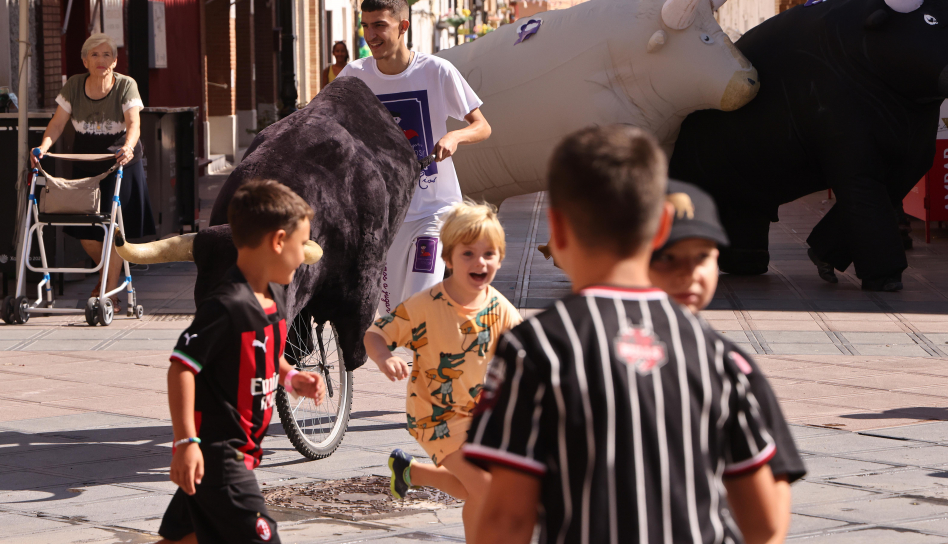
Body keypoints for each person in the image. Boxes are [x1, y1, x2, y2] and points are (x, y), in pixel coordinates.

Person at [463, 125, 786, 544]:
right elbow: (765, 523)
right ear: (664, 222)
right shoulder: (721, 356)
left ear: (556, 231)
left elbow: (507, 519)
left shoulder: (534, 349)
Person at [156, 180, 326, 544]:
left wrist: (291, 377)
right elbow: (182, 366)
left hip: (237, 454)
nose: (303, 256)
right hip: (220, 457)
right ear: (278, 241)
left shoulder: (275, 292)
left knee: (182, 540)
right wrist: (185, 442)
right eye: (301, 245)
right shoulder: (227, 304)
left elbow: (263, 350)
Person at [649, 179, 806, 536]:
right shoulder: (725, 363)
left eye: (702, 255)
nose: (687, 272)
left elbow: (767, 506)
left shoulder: (730, 366)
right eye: (667, 256)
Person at [363, 201, 521, 542]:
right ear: (447, 258)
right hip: (433, 417)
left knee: (470, 489)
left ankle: (410, 472)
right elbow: (376, 334)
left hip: (476, 419)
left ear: (500, 258)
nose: (479, 262)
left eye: (488, 254)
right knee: (487, 488)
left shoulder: (500, 308)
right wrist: (383, 357)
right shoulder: (424, 306)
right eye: (468, 254)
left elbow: (528, 352)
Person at [338, 0, 491, 314]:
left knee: (424, 301)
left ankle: (434, 360)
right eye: (365, 26)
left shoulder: (436, 71)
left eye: (379, 25)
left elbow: (482, 126)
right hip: (383, 214)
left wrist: (455, 137)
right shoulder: (354, 76)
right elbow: (324, 121)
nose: (371, 35)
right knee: (395, 314)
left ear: (403, 26)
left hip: (433, 211)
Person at [31, 33, 156, 312]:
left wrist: (128, 145)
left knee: (113, 229)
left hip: (119, 162)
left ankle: (107, 293)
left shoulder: (126, 85)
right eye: (95, 55)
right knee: (87, 232)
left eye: (107, 55)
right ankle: (108, 280)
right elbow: (57, 124)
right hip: (85, 163)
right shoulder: (74, 85)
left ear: (115, 60)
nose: (101, 60)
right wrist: (43, 146)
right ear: (85, 60)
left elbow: (134, 123)